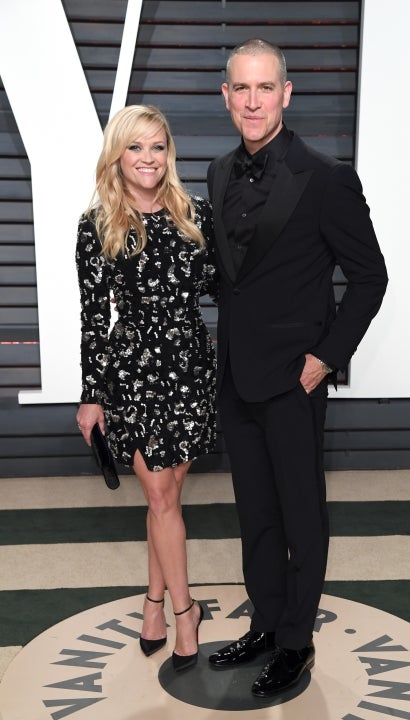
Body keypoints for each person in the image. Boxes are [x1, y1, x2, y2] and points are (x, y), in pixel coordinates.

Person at [206, 39, 388, 696]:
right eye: (241, 89)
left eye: (265, 88)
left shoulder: (327, 177)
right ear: (226, 97)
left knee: (301, 514)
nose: (252, 101)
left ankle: (294, 642)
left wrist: (325, 358)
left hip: (293, 379)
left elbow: (370, 278)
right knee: (255, 512)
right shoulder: (217, 172)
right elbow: (233, 277)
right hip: (236, 377)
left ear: (285, 93)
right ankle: (265, 621)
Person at [75, 104, 217, 672]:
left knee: (168, 498)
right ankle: (186, 615)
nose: (148, 158)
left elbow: (225, 286)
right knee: (160, 497)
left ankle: (152, 603)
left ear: (169, 153)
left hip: (190, 368)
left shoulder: (195, 214)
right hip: (133, 373)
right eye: (135, 147)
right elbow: (93, 317)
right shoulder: (97, 224)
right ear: (118, 154)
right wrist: (91, 394)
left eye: (157, 146)